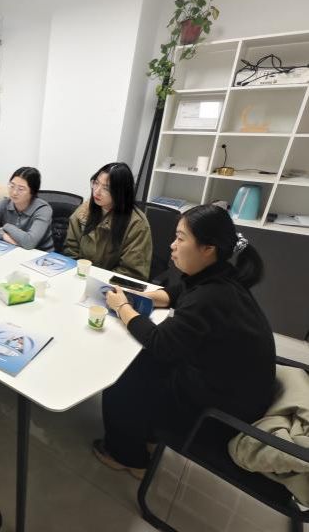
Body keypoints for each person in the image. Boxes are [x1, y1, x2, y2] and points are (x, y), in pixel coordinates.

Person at [94, 204, 276, 478]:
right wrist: (137, 298)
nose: (172, 245)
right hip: (234, 386)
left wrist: (123, 308)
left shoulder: (209, 297)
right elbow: (177, 293)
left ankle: (128, 457)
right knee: (142, 364)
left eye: (180, 238)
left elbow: (159, 342)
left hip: (221, 411)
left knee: (122, 380)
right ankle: (143, 435)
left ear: (207, 248)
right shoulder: (220, 275)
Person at [63, 162, 152, 281]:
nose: (97, 191)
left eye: (106, 188)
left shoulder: (137, 224)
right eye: (96, 183)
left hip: (111, 286)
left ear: (121, 192)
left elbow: (132, 273)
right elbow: (70, 250)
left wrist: (96, 281)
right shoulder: (84, 210)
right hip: (81, 278)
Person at [0, 166, 54, 251]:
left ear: (32, 191)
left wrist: (6, 226)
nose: (14, 192)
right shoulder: (5, 203)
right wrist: (3, 235)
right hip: (13, 249)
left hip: (40, 254)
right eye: (12, 186)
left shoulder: (43, 210)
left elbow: (29, 242)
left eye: (21, 189)